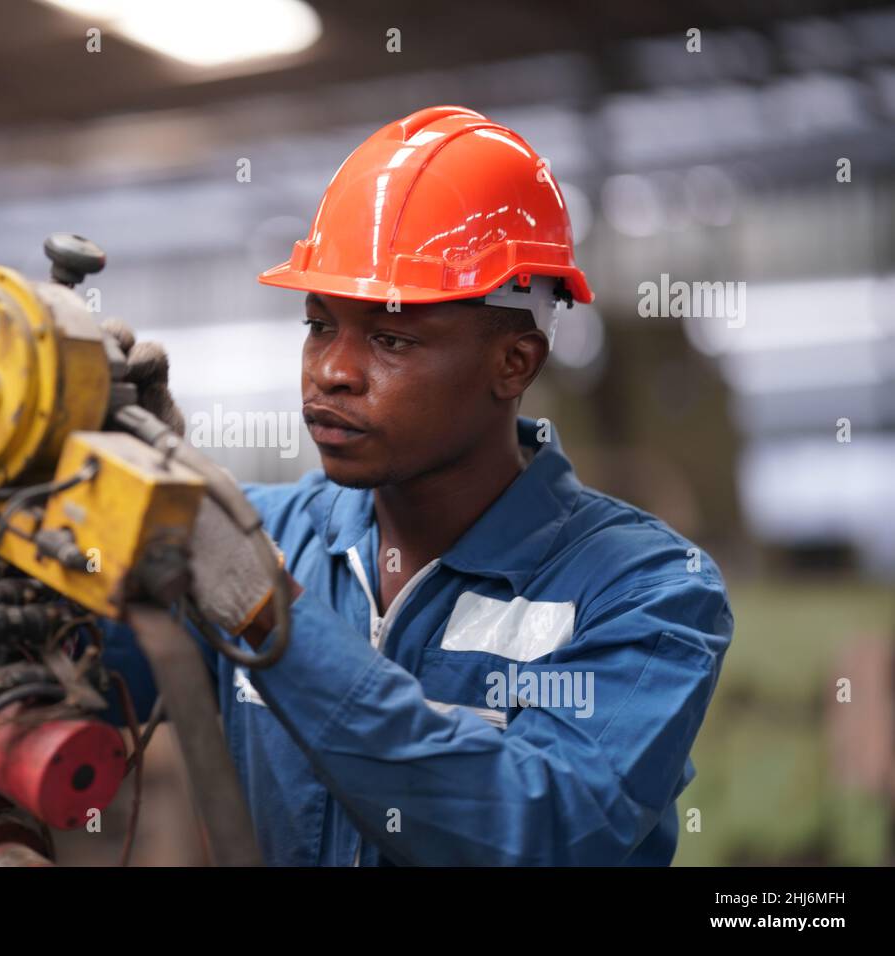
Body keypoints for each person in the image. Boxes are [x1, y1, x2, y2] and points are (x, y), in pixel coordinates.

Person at [104, 106, 734, 866]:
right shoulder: (268, 535)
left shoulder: (648, 591)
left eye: (391, 337)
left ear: (515, 363)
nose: (332, 370)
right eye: (319, 324)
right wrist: (96, 490)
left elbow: (543, 830)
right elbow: (87, 676)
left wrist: (271, 620)